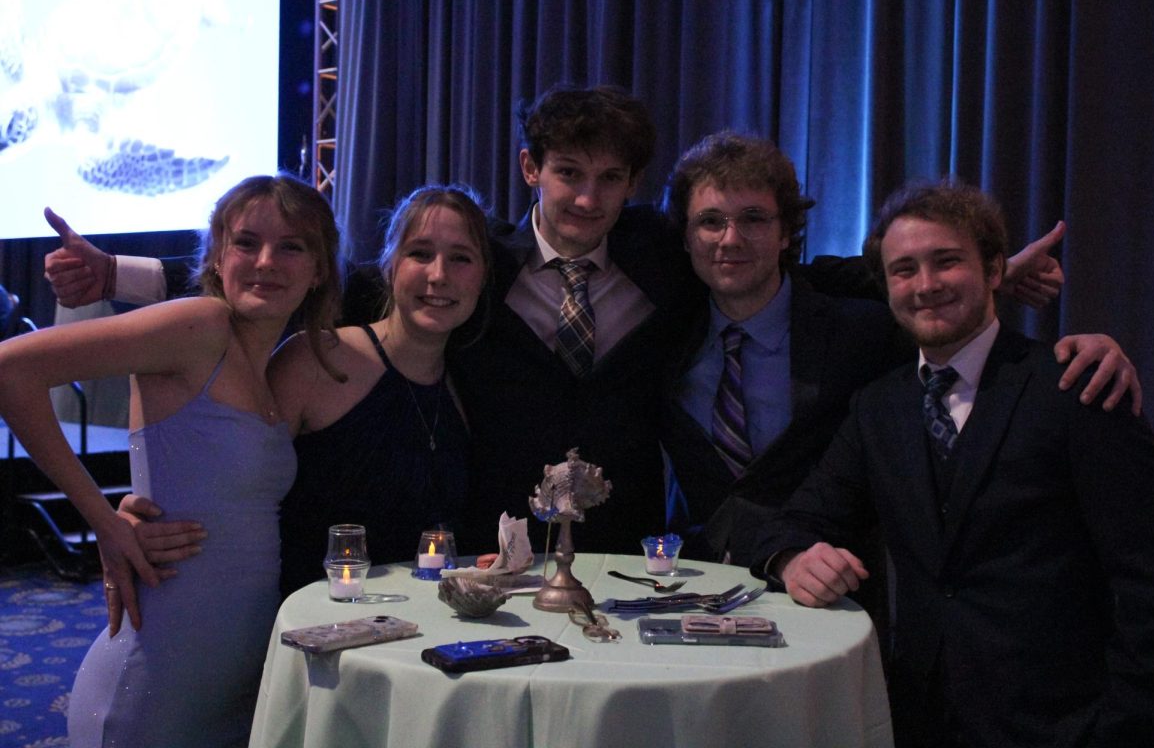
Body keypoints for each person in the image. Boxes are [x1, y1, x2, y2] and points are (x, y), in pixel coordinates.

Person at [44, 85, 1081, 556]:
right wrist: (124, 272)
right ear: (531, 169)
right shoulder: (469, 261)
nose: (586, 200)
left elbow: (806, 271)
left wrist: (984, 286)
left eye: (608, 180)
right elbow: (304, 279)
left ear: (631, 186)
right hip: (482, 534)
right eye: (567, 175)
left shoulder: (665, 259)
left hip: (629, 538)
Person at [752, 179, 1154, 748]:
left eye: (946, 262)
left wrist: (1120, 729)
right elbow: (799, 518)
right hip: (916, 720)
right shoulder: (879, 407)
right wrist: (792, 557)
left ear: (994, 271)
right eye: (904, 269)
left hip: (1062, 726)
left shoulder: (1077, 391)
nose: (926, 285)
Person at [661, 132, 1142, 567]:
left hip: (830, 584)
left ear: (786, 231)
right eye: (710, 221)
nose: (731, 239)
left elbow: (948, 326)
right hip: (694, 576)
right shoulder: (660, 333)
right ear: (685, 236)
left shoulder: (863, 332)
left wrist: (1091, 346)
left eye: (754, 219)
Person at [0, 175, 342, 747]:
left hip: (230, 675)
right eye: (245, 243)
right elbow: (9, 369)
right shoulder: (198, 328)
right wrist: (105, 522)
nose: (266, 261)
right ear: (216, 256)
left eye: (291, 246)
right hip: (155, 673)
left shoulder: (274, 367)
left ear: (319, 270)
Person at [269, 185, 489, 595]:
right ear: (389, 265)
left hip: (420, 632)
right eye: (420, 253)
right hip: (310, 624)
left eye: (461, 258)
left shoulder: (471, 384)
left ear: (482, 277)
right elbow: (233, 488)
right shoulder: (319, 358)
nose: (439, 275)